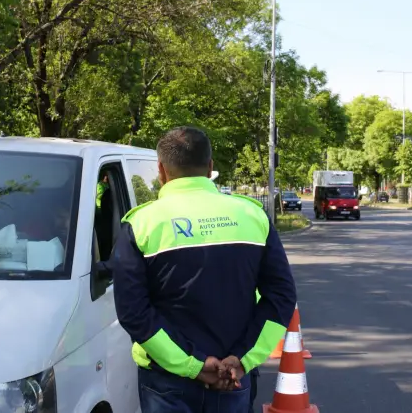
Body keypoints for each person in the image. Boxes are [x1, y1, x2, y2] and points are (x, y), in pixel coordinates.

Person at [108, 126, 297, 413]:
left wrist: (192, 366)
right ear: (210, 168)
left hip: (166, 381)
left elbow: (134, 313)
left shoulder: (140, 225)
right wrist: (242, 359)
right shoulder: (252, 215)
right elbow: (282, 297)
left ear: (161, 170)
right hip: (233, 376)